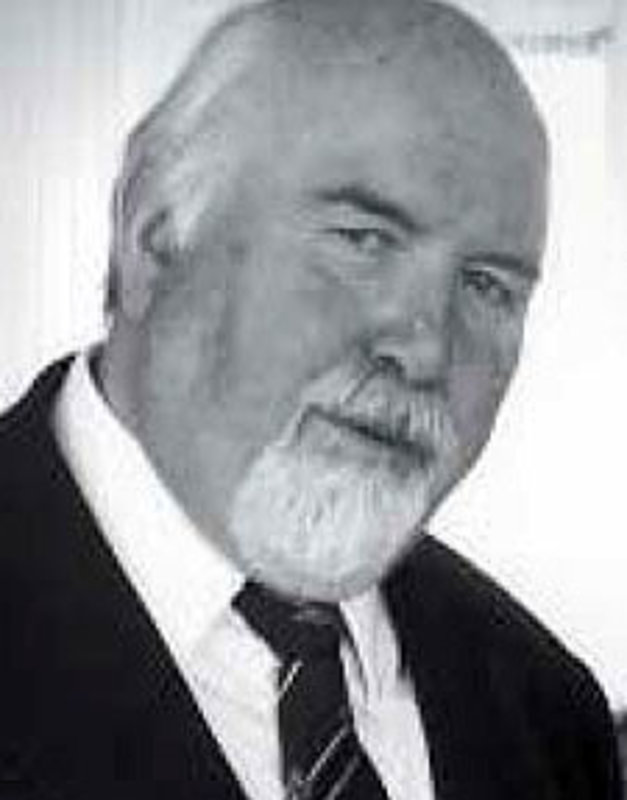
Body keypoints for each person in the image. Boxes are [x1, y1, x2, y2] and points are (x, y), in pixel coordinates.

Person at [0, 0, 622, 798]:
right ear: (155, 235)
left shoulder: (549, 713)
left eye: (486, 286)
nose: (426, 349)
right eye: (364, 240)